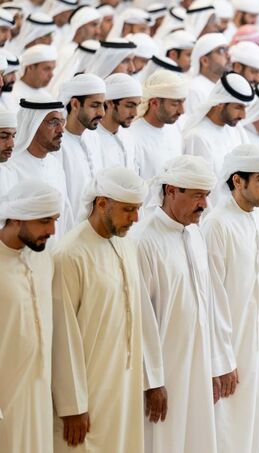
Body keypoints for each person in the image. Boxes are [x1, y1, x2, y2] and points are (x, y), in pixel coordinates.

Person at [132, 155, 234, 453]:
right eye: (197, 195)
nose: (204, 204)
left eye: (207, 195)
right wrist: (152, 382)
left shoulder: (194, 233)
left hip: (198, 365)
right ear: (171, 191)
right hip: (165, 372)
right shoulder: (144, 240)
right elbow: (141, 317)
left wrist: (216, 364)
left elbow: (207, 305)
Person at [51, 167, 151, 453]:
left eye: (138, 209)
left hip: (124, 386)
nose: (136, 218)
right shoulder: (69, 254)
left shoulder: (127, 245)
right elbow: (63, 335)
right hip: (88, 395)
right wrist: (73, 405)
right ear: (102, 203)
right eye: (128, 210)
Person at [201, 144, 259, 453]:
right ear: (238, 181)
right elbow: (213, 299)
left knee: (254, 429)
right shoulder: (217, 224)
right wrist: (221, 360)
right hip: (231, 354)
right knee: (227, 431)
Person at [0, 181, 61, 453]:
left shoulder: (43, 258)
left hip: (39, 397)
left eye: (55, 220)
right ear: (15, 217)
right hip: (5, 403)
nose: (52, 231)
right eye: (44, 221)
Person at [5, 98, 73, 237]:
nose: (61, 130)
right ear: (33, 125)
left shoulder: (55, 166)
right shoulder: (10, 167)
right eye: (54, 122)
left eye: (61, 122)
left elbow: (66, 215)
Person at [183, 71, 254, 175]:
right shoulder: (197, 136)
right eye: (238, 107)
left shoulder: (236, 130)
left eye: (245, 108)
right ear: (220, 103)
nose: (243, 116)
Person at [57, 73, 106, 219]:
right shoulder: (58, 143)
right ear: (75, 104)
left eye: (103, 105)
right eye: (95, 105)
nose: (102, 113)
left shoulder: (93, 137)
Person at [129, 69, 187, 179]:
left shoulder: (175, 130)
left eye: (183, 102)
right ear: (154, 103)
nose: (182, 111)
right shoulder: (133, 137)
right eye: (175, 104)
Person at [91, 73, 141, 170]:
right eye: (129, 106)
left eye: (137, 105)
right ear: (109, 103)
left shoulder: (128, 137)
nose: (135, 113)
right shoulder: (92, 140)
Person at [185, 33, 229, 114]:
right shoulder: (194, 89)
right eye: (222, 50)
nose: (228, 55)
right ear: (205, 61)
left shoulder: (223, 86)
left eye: (227, 50)